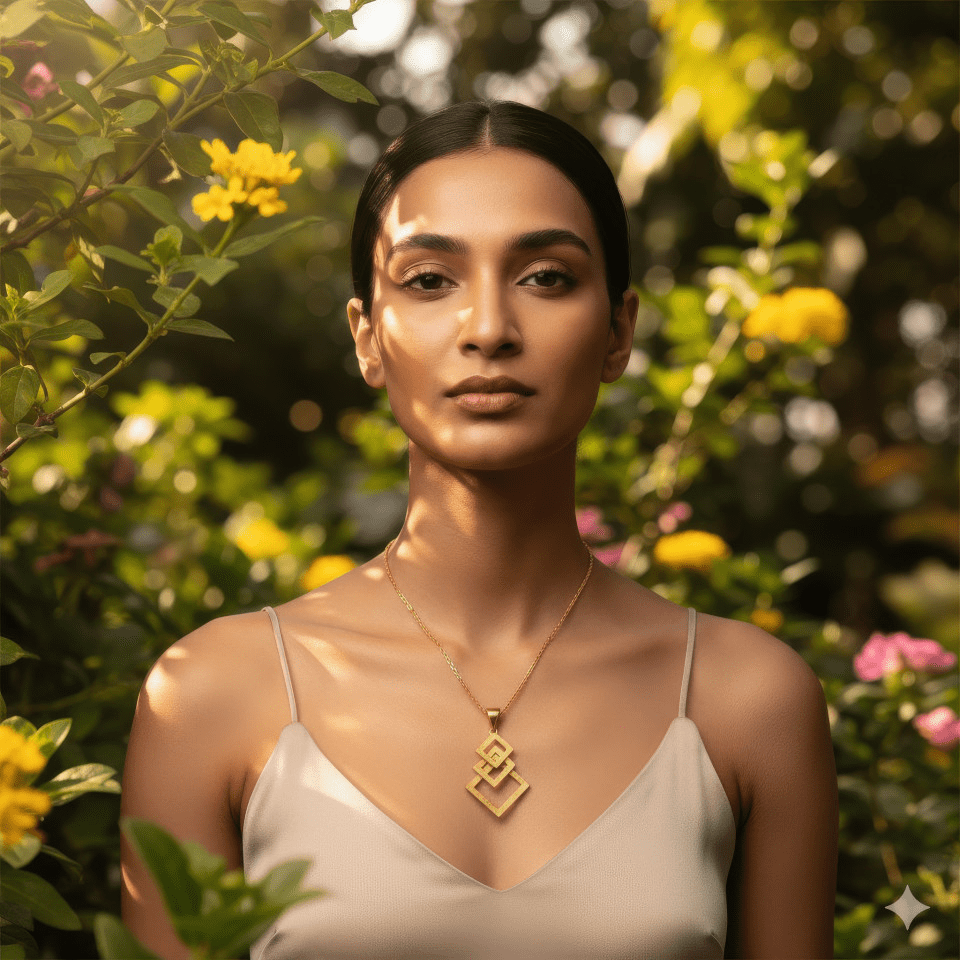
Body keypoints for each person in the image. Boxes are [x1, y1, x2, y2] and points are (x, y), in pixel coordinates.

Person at [120, 100, 839, 960]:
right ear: (367, 338)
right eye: (429, 280)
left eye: (546, 277)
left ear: (619, 332)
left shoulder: (748, 700)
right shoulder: (209, 696)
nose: (490, 330)